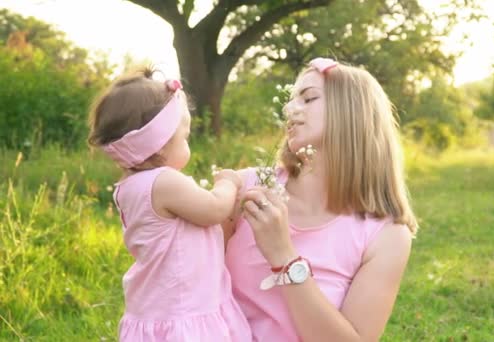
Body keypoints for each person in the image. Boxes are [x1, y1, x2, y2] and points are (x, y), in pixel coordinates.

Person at [224, 57, 418, 341]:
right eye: (290, 100)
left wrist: (284, 257)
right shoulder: (247, 188)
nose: (289, 109)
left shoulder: (387, 235)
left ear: (351, 112)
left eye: (308, 98)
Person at [87, 68, 251, 341]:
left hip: (161, 309)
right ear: (160, 145)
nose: (188, 142)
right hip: (183, 312)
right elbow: (214, 210)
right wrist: (228, 183)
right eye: (184, 137)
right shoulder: (164, 182)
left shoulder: (130, 185)